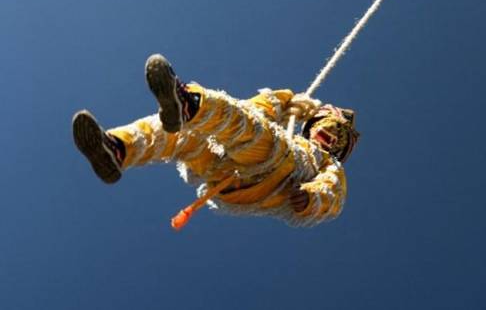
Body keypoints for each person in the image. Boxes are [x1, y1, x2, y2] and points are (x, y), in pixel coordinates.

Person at [72, 54, 359, 227]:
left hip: (275, 176)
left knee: (262, 138)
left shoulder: (324, 161)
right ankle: (118, 148)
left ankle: (192, 106)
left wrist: (311, 198)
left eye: (337, 136)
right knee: (185, 137)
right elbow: (255, 110)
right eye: (327, 127)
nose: (330, 136)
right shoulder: (288, 134)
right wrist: (285, 100)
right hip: (224, 174)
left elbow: (333, 195)